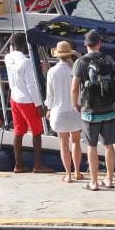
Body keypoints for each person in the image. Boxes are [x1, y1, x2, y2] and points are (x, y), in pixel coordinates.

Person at [71, 29, 115, 191]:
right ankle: (110, 179)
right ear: (100, 43)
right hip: (108, 109)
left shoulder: (81, 62)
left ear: (86, 45)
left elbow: (74, 87)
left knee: (91, 146)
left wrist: (75, 104)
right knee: (109, 145)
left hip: (90, 110)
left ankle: (93, 182)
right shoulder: (109, 59)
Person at [4, 32, 46, 173]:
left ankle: (19, 165)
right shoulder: (26, 62)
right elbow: (31, 86)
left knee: (19, 131)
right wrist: (39, 105)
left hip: (14, 99)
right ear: (23, 45)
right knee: (37, 132)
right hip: (27, 100)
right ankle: (38, 165)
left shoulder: (7, 58)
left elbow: (10, 50)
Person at [45, 40, 84, 183]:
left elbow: (50, 95)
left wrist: (48, 108)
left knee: (63, 144)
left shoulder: (52, 71)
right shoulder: (75, 70)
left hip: (58, 111)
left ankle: (68, 174)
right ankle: (78, 172)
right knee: (76, 142)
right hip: (75, 110)